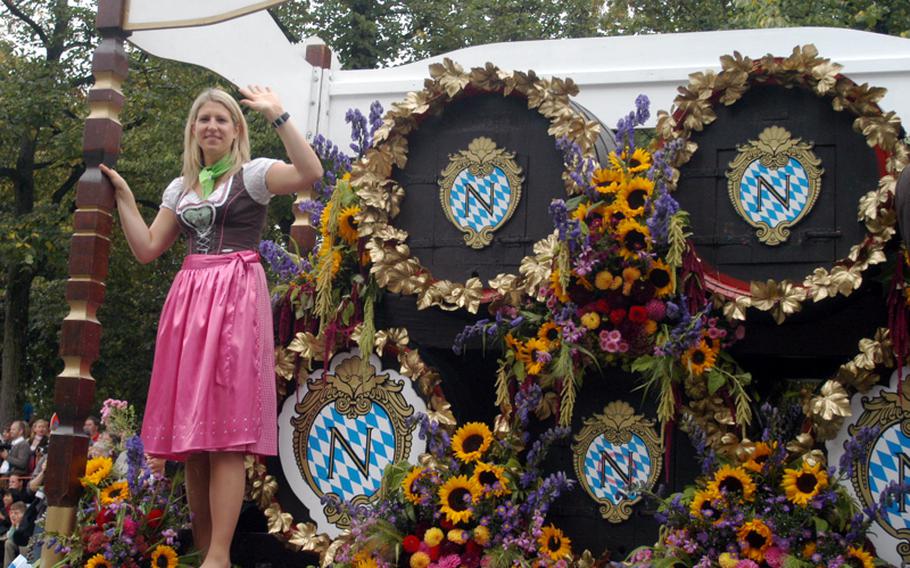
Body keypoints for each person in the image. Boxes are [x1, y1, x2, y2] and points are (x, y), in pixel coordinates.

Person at [100, 85, 322, 568]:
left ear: (236, 129)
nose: (213, 127)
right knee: (194, 442)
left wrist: (279, 115)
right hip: (188, 304)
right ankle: (204, 550)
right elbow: (147, 248)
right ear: (193, 130)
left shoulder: (253, 175)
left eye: (222, 119)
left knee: (223, 436)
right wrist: (125, 200)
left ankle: (219, 556)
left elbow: (311, 172)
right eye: (205, 120)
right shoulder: (181, 189)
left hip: (235, 299)